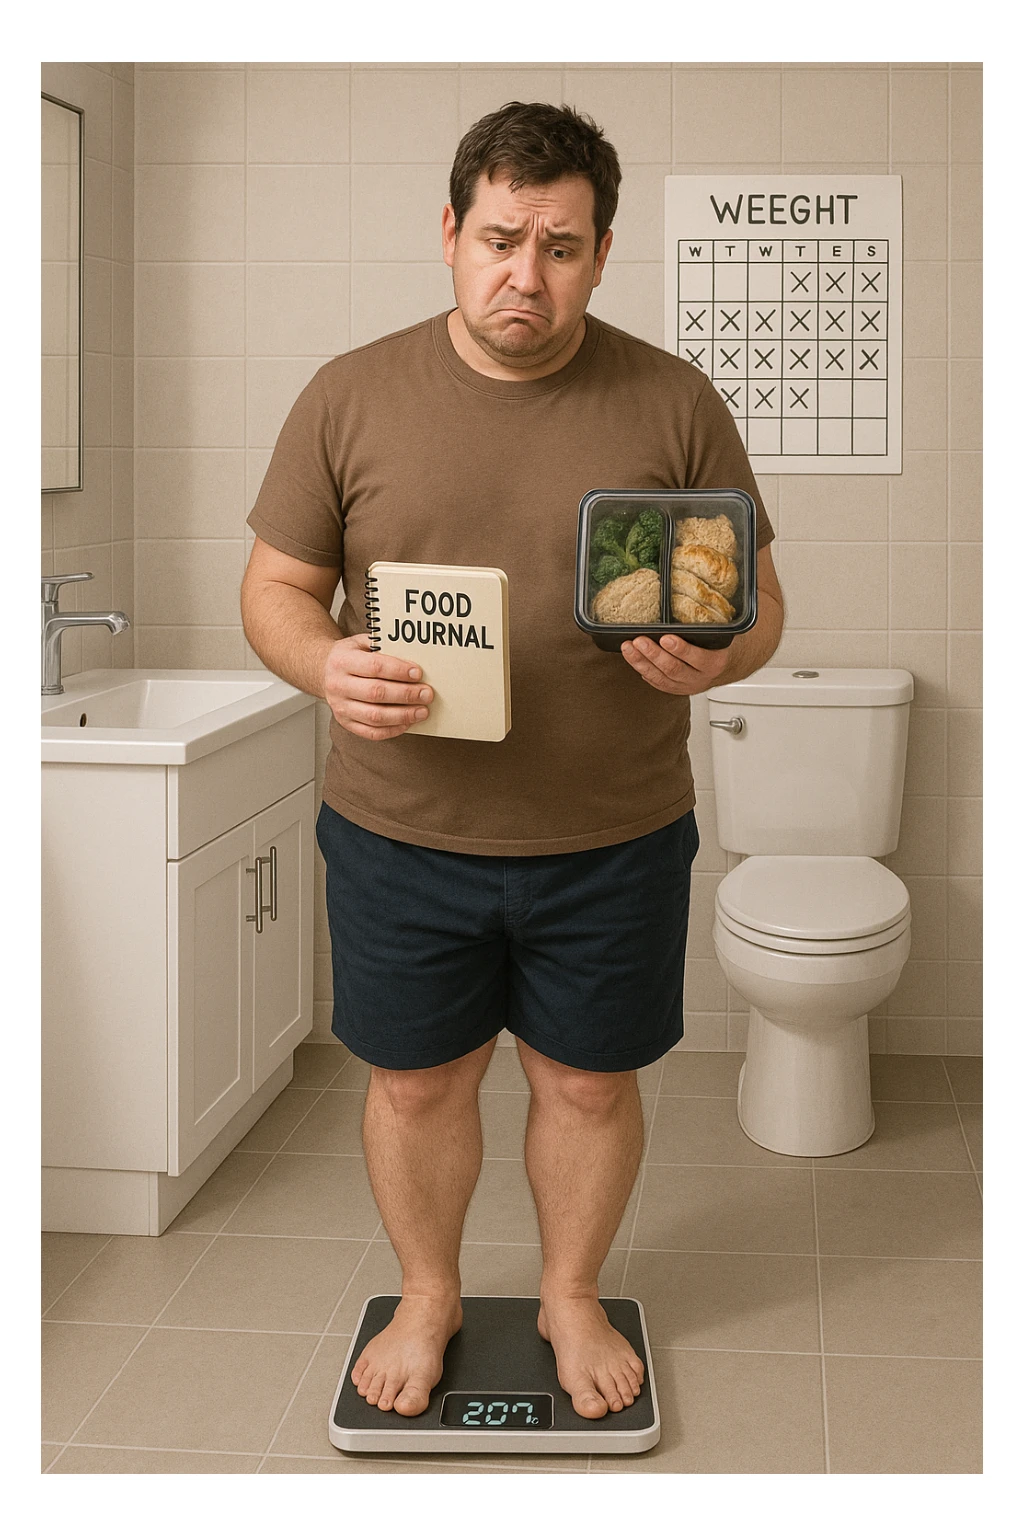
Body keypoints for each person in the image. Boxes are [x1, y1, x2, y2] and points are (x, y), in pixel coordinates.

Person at [240, 100, 785, 1423]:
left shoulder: (673, 399)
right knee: (418, 1081)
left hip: (614, 832)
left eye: (559, 247)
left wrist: (718, 659)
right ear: (449, 232)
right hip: (398, 829)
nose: (524, 276)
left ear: (601, 254)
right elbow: (274, 591)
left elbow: (762, 607)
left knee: (588, 1084)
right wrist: (326, 665)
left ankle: (569, 1292)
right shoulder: (348, 395)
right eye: (499, 240)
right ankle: (428, 1294)